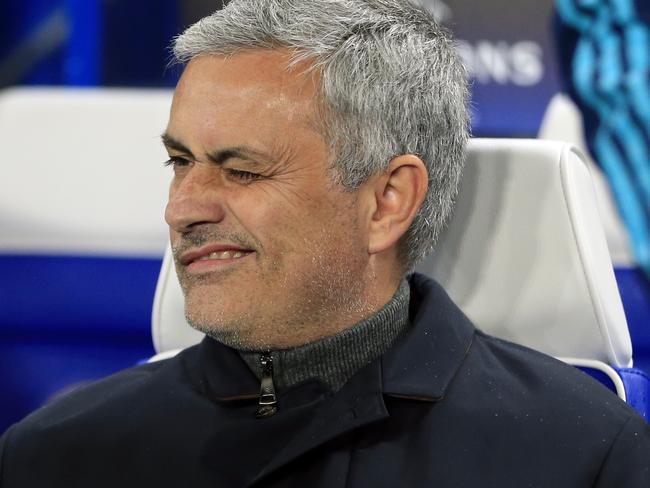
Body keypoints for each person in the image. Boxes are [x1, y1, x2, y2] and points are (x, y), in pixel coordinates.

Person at [1, 0, 648, 486]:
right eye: (180, 162)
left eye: (241, 169)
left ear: (387, 201)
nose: (182, 208)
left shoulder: (587, 457)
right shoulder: (52, 458)